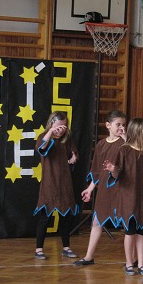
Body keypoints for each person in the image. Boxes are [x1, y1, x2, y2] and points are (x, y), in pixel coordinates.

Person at [74, 110, 127, 266]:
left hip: (122, 188)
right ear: (108, 125)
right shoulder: (101, 144)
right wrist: (90, 188)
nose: (121, 128)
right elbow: (97, 170)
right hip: (105, 189)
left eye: (124, 125)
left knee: (128, 225)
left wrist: (126, 141)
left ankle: (133, 261)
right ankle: (89, 256)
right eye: (118, 125)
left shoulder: (125, 143)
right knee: (97, 222)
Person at [103, 118, 143, 276]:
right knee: (130, 231)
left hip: (142, 198)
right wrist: (112, 169)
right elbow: (118, 171)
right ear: (138, 132)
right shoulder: (123, 150)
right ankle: (129, 263)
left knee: (141, 232)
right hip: (128, 198)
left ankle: (142, 263)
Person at [33, 111, 80, 260]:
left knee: (65, 217)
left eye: (64, 126)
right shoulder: (44, 137)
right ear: (52, 123)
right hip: (49, 184)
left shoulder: (67, 140)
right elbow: (41, 148)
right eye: (59, 126)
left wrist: (73, 159)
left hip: (64, 184)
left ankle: (66, 247)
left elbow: (74, 154)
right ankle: (39, 249)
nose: (62, 129)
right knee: (44, 218)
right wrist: (50, 133)